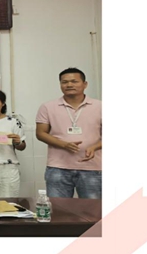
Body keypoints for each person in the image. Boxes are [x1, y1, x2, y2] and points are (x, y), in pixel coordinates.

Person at [35, 67, 102, 199]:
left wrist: (94, 147)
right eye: (64, 82)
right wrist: (64, 145)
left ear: (85, 84)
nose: (69, 85)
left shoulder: (100, 106)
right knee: (58, 208)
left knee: (92, 208)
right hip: (58, 167)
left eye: (74, 81)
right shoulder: (47, 107)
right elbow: (41, 133)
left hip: (92, 167)